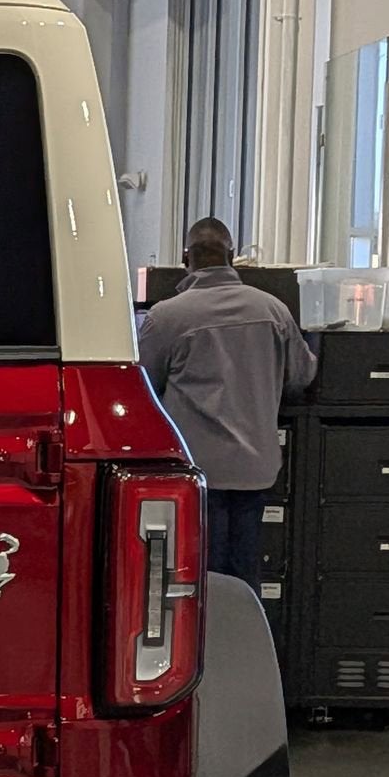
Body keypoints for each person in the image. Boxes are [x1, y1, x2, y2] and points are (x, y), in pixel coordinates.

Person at [137, 218, 318, 584]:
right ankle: (246, 639)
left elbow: (143, 387)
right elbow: (302, 377)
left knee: (201, 577)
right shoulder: (273, 311)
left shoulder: (168, 316)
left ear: (185, 257)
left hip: (199, 472)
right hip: (256, 470)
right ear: (232, 257)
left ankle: (209, 642)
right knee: (245, 574)